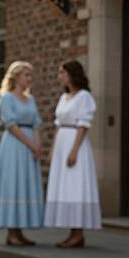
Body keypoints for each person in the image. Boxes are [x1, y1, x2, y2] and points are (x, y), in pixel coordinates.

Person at [44, 60, 101, 247]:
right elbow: (58, 125)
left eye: (62, 72)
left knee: (76, 186)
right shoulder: (64, 97)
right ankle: (72, 233)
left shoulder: (84, 96)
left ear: (71, 74)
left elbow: (84, 125)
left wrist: (74, 150)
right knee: (65, 187)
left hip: (76, 144)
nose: (59, 76)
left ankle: (78, 233)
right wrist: (53, 150)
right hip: (62, 144)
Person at [0, 61, 44, 245]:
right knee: (13, 183)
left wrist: (38, 145)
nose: (29, 79)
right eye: (26, 75)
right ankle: (11, 232)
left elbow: (36, 123)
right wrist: (30, 143)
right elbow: (10, 125)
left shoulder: (31, 99)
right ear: (16, 76)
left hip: (29, 147)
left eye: (30, 75)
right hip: (14, 145)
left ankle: (19, 231)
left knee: (25, 184)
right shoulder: (6, 98)